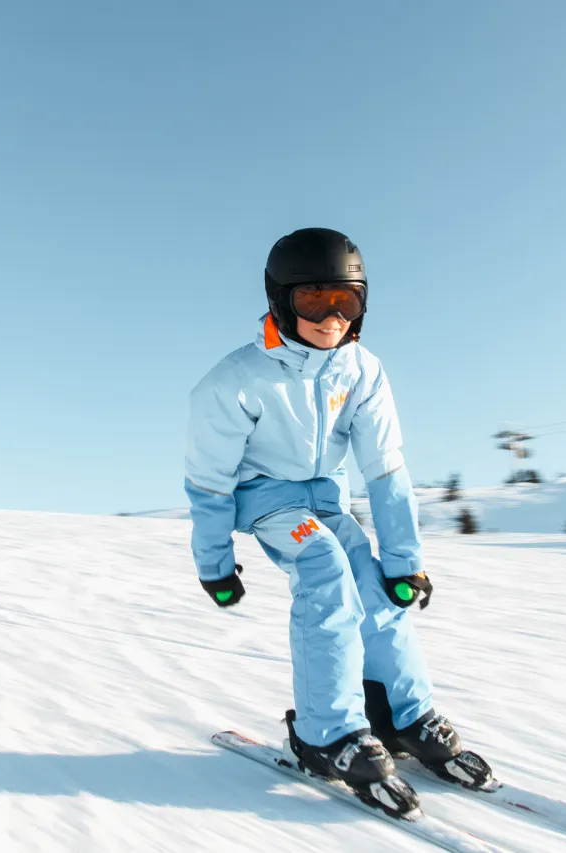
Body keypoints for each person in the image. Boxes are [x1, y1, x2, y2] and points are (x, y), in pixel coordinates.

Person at [183, 228, 490, 814]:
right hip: (267, 500)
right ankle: (327, 733)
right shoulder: (236, 381)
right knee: (323, 567)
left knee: (376, 587)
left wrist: (405, 562)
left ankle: (402, 715)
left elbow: (386, 469)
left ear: (361, 305)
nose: (330, 318)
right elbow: (209, 482)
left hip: (326, 499)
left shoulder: (363, 370)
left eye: (344, 302)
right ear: (280, 300)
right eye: (312, 301)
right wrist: (215, 565)